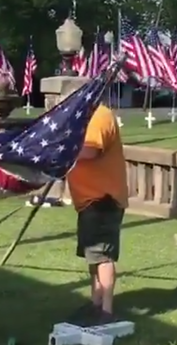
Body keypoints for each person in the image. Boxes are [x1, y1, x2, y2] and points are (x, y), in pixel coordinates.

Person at [66, 89, 129, 324]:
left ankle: (107, 311)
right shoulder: (84, 117)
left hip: (103, 198)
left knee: (102, 256)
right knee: (93, 256)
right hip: (89, 200)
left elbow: (90, 150)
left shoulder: (100, 116)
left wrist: (60, 152)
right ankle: (95, 303)